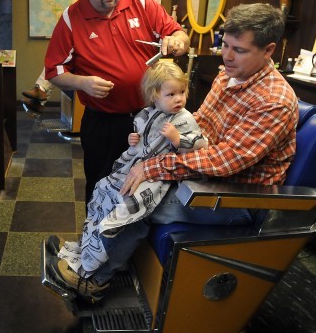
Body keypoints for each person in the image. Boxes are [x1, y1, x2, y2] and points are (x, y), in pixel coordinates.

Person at [50, 3, 298, 300]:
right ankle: (88, 253)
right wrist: (149, 152)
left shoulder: (273, 101)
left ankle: (93, 281)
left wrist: (153, 167)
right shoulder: (228, 76)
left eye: (239, 50)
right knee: (113, 184)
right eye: (226, 45)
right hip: (202, 178)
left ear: (268, 50)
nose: (227, 56)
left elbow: (225, 161)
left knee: (138, 204)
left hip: (234, 197)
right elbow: (199, 126)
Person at [43, 0, 190, 205]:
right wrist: (82, 83)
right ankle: (95, 242)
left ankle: (134, 245)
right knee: (101, 185)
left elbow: (180, 34)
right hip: (103, 124)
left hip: (150, 117)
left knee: (147, 188)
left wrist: (176, 41)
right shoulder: (71, 18)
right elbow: (54, 70)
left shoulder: (141, 2)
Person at [57, 61, 206, 285]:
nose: (179, 99)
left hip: (162, 176)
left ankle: (96, 272)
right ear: (154, 95)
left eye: (182, 92)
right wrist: (133, 140)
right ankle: (88, 250)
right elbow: (141, 142)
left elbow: (198, 147)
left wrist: (178, 140)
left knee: (125, 205)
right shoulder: (146, 114)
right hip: (140, 167)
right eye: (171, 94)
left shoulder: (184, 119)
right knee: (102, 189)